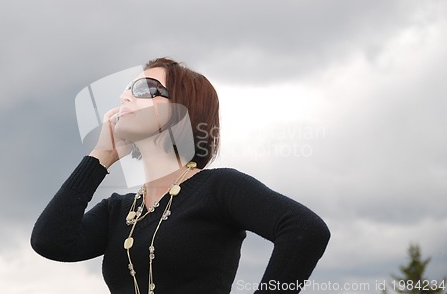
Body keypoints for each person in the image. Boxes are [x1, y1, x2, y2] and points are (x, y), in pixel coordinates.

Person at [31, 57, 330, 294]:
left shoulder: (218, 188)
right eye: (125, 89)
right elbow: (51, 241)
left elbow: (305, 230)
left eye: (144, 89)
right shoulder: (118, 211)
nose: (124, 97)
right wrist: (101, 157)